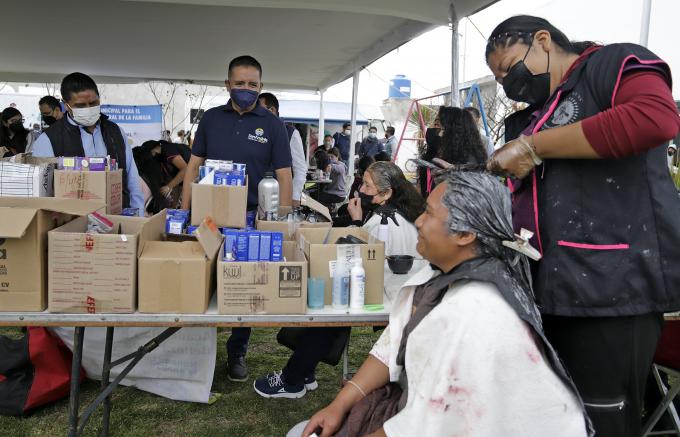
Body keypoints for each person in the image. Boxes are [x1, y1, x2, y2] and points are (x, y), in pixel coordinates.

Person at [484, 15, 680, 436]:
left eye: (509, 67)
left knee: (601, 418)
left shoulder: (610, 65)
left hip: (611, 289)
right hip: (551, 289)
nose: (508, 84)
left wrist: (534, 147)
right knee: (558, 416)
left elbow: (654, 118)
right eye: (500, 78)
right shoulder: (539, 112)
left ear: (543, 41)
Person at [291, 170, 591, 437]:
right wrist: (339, 404)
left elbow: (426, 424)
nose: (418, 220)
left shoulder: (474, 308)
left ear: (464, 234)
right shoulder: (441, 272)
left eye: (430, 214)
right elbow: (393, 343)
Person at [253, 162, 425, 400]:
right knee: (332, 307)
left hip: (387, 297)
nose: (360, 190)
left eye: (367, 185)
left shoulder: (383, 222)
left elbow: (357, 257)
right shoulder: (409, 213)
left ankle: (293, 379)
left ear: (386, 193)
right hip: (395, 292)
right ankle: (302, 372)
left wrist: (356, 222)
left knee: (328, 310)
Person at [180, 55, 293, 383]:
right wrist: (184, 211)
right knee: (203, 282)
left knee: (244, 287)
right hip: (207, 216)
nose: (246, 89)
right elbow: (193, 166)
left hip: (249, 218)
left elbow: (285, 175)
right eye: (240, 83)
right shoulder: (211, 119)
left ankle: (237, 351)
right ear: (227, 84)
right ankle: (198, 352)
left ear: (261, 87)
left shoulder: (272, 125)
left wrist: (281, 222)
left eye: (252, 85)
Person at [32, 73, 145, 214]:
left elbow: (131, 176)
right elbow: (43, 192)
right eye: (80, 106)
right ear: (66, 105)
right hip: (73, 221)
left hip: (118, 216)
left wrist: (138, 213)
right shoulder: (49, 140)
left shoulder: (115, 132)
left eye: (93, 103)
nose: (88, 109)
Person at [259, 92, 308, 206]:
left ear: (271, 110)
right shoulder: (256, 130)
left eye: (259, 109)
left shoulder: (290, 132)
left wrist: (294, 197)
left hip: (278, 197)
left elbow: (300, 169)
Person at [140, 139, 190, 204]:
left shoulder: (168, 150)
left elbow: (185, 169)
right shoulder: (162, 157)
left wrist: (169, 186)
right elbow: (177, 180)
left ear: (153, 149)